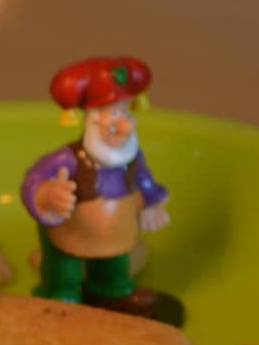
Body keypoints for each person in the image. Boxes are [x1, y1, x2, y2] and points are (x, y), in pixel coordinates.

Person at [19, 56, 182, 325]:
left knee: (115, 265)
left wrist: (152, 203)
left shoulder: (131, 157)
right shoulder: (68, 159)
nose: (126, 125)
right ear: (91, 120)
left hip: (115, 234)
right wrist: (47, 195)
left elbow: (144, 180)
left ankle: (112, 291)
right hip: (70, 233)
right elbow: (35, 179)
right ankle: (60, 295)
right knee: (64, 270)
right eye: (115, 115)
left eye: (126, 113)